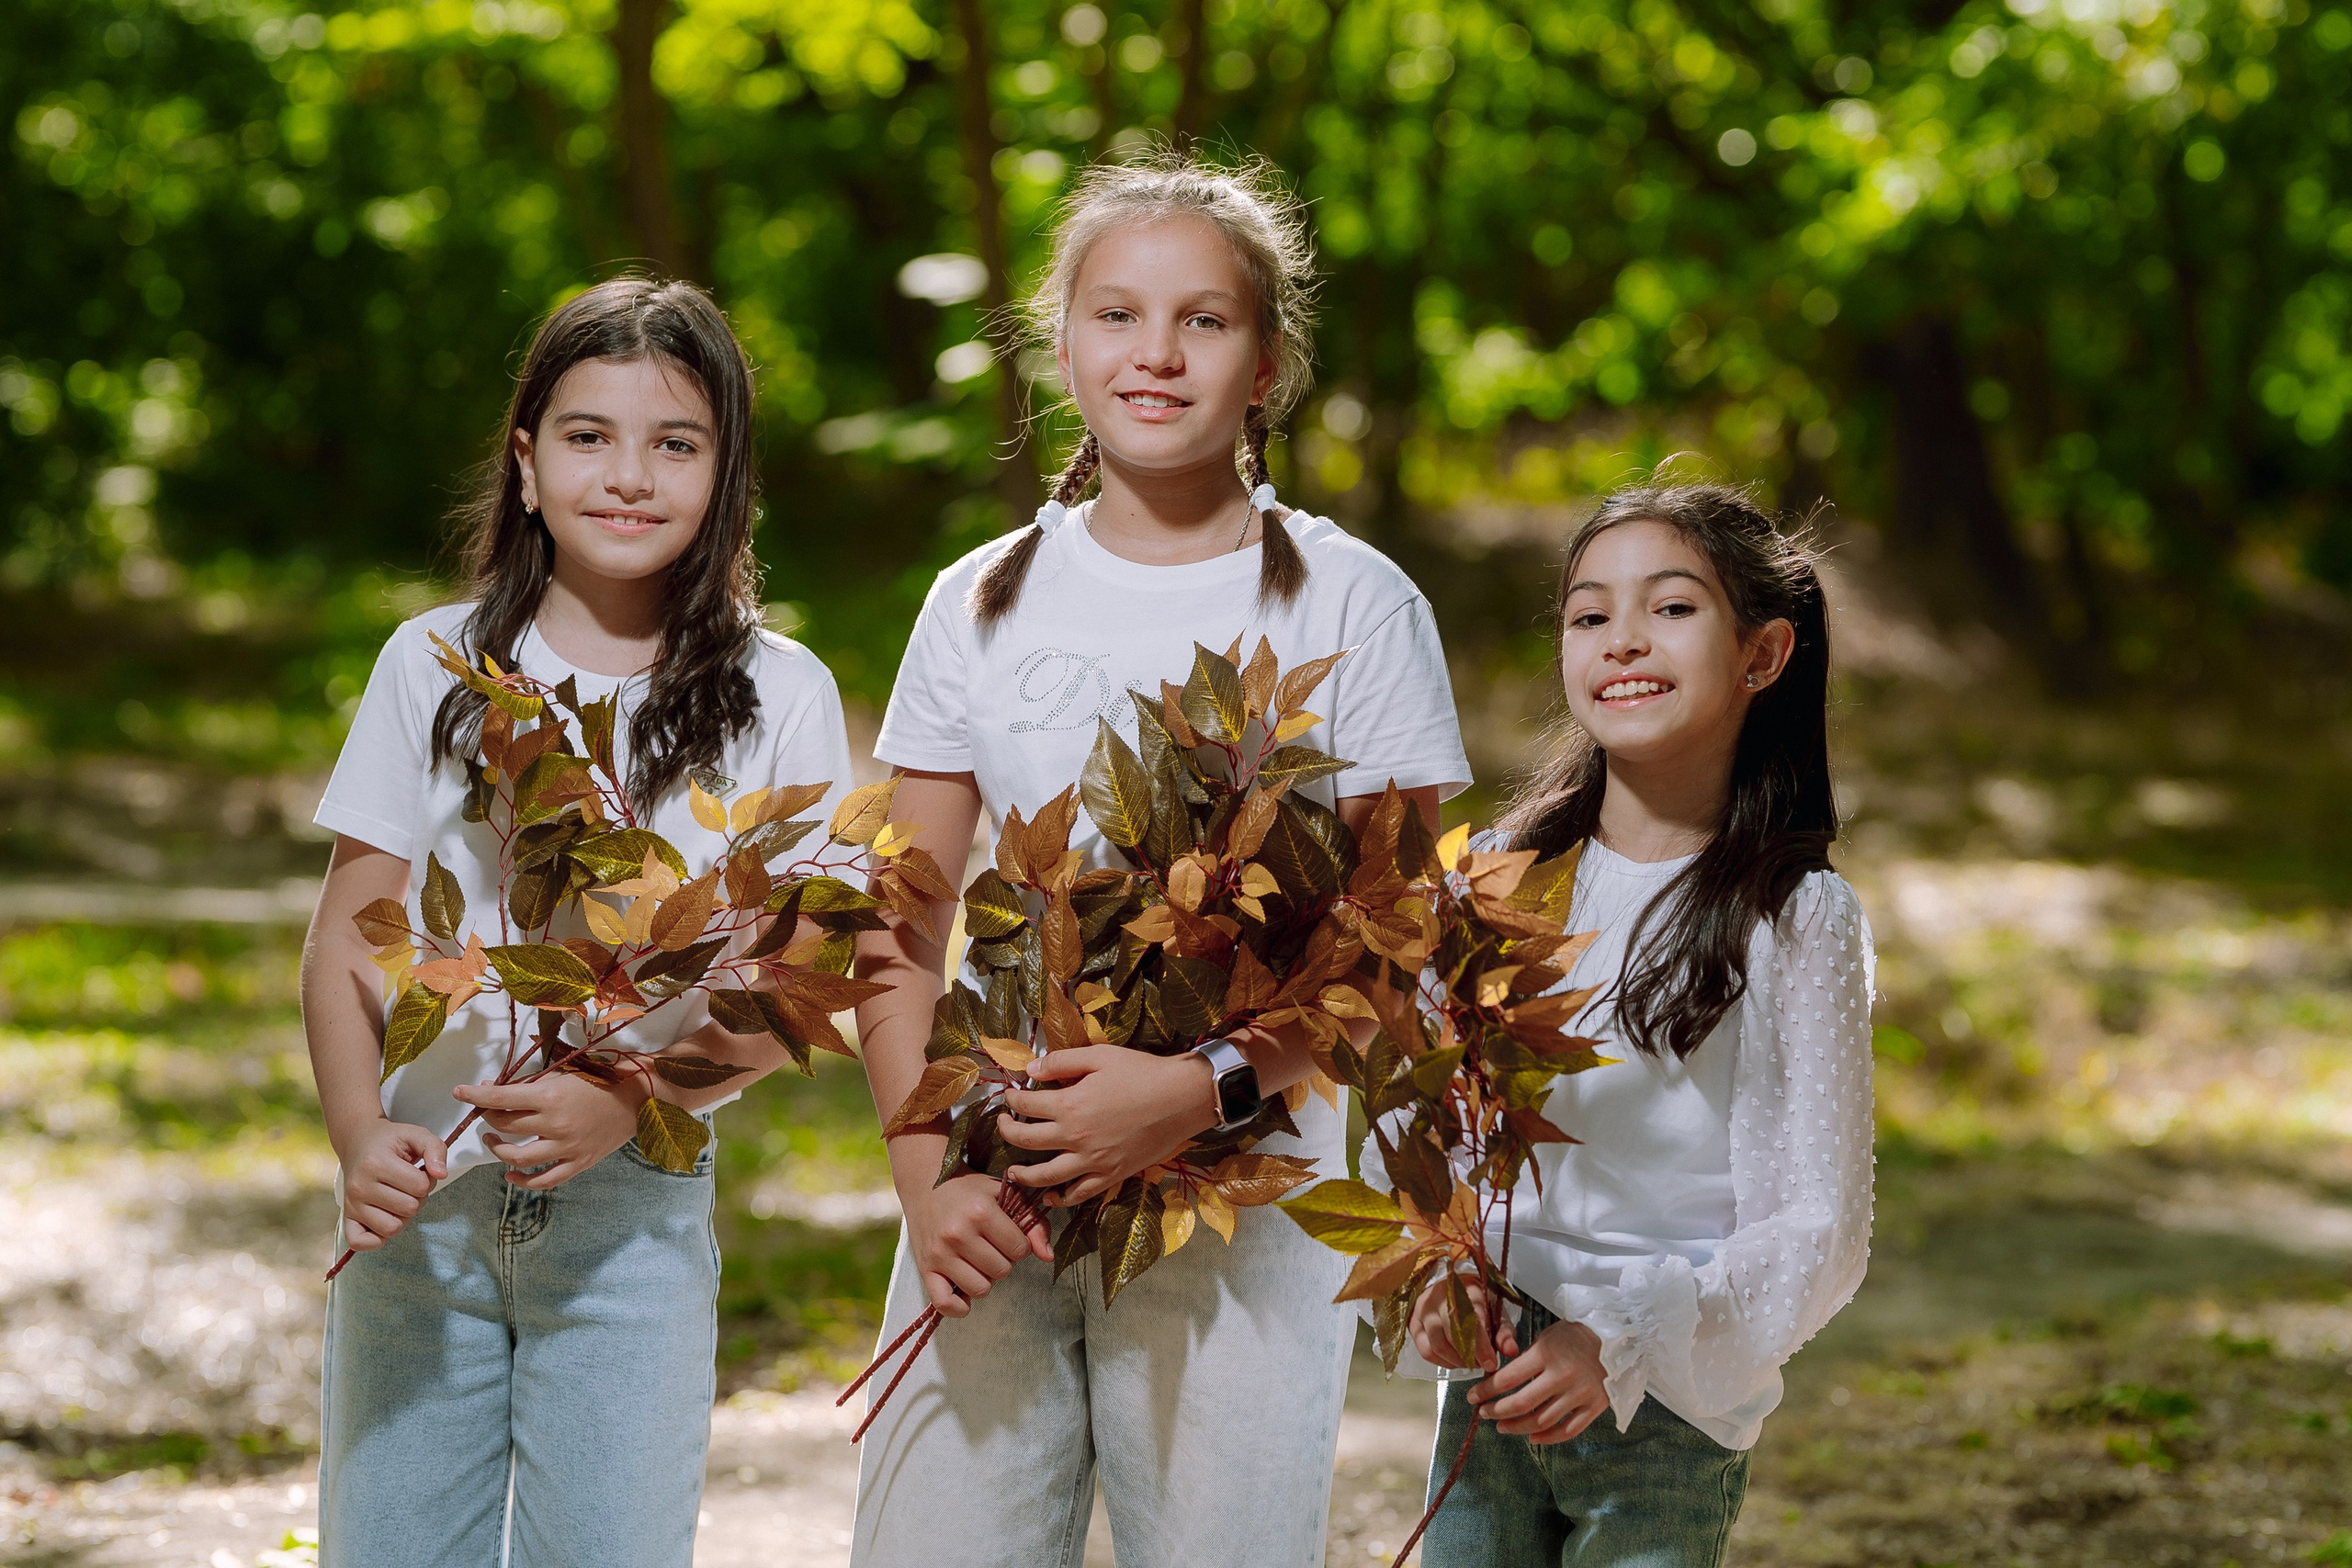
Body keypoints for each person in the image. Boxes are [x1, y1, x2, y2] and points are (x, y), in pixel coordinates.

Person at [848, 152, 1472, 1568]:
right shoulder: (979, 600)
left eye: (1205, 320)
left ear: (1267, 364)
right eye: (1118, 314)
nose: (1158, 352)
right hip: (990, 1181)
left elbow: (1408, 925)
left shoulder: (1357, 603)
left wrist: (1202, 1085)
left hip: (1243, 1205)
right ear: (1059, 344)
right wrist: (925, 1180)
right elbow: (904, 918)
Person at [301, 276, 854, 1568]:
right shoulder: (431, 665)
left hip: (635, 1213)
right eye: (588, 435)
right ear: (527, 462)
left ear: (726, 476)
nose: (629, 474)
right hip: (423, 1199)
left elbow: (805, 969)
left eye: (676, 442)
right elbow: (347, 933)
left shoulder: (782, 692)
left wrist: (632, 1087)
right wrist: (354, 1131)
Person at [1397, 482, 1875, 1567]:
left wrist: (1608, 1339)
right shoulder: (1493, 884)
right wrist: (1439, 1265)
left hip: (1664, 1397)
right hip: (1493, 1377)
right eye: (1587, 614)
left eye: (1669, 608)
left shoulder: (1795, 916)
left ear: (1760, 655)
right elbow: (1435, 1116)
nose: (1621, 640)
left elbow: (1819, 1230)